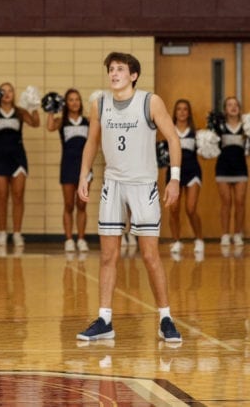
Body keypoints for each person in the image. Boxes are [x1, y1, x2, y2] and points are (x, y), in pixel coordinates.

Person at [76, 52, 182, 344]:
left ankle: (165, 318)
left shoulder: (150, 101)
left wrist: (174, 178)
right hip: (114, 184)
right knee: (109, 255)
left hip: (143, 184)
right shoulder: (100, 104)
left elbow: (173, 138)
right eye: (111, 69)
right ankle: (105, 320)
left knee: (149, 255)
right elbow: (92, 142)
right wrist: (84, 174)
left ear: (133, 75)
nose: (114, 73)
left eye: (120, 69)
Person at [0, 82, 40, 248]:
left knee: (18, 195)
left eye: (10, 90)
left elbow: (35, 123)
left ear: (14, 94)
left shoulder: (20, 112)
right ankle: (2, 233)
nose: (7, 94)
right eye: (3, 91)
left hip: (17, 157)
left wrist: (34, 106)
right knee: (1, 196)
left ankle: (17, 233)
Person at [46, 89, 91, 253]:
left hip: (85, 168)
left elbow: (101, 127)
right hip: (67, 166)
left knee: (82, 204)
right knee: (69, 204)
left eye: (77, 99)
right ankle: (69, 239)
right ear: (66, 103)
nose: (74, 102)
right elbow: (49, 126)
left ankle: (81, 238)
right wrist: (51, 108)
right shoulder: (61, 121)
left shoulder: (87, 121)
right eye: (71, 100)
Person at [168, 99, 205, 257]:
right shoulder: (169, 130)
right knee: (174, 209)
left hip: (192, 172)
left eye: (185, 109)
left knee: (190, 209)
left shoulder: (196, 133)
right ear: (174, 113)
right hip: (174, 174)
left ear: (188, 113)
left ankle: (199, 239)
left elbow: (204, 153)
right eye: (179, 109)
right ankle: (176, 241)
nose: (182, 112)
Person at [215, 96, 247, 249]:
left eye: (235, 105)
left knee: (240, 202)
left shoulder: (246, 127)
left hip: (240, 168)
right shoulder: (219, 127)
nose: (233, 107)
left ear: (239, 108)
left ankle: (238, 233)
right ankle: (225, 234)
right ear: (225, 109)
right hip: (223, 168)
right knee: (226, 202)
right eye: (229, 105)